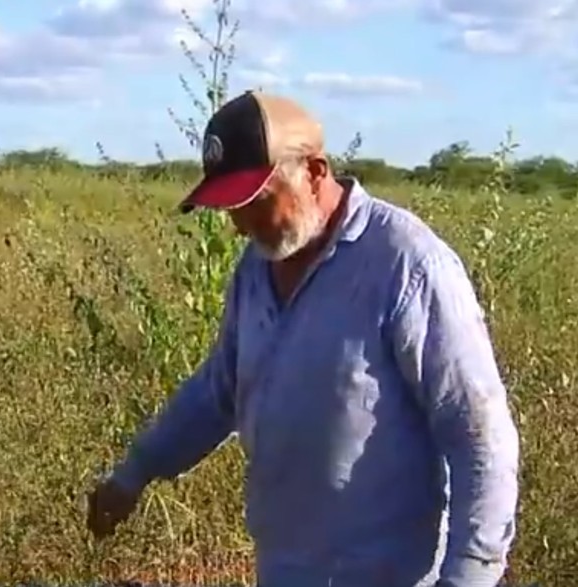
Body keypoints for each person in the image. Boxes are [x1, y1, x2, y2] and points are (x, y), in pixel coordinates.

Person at [86, 90, 521, 587]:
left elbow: (479, 435)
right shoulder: (257, 268)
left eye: (256, 203)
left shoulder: (406, 264)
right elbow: (217, 393)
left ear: (315, 172)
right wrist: (134, 474)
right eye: (231, 208)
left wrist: (468, 577)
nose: (239, 226)